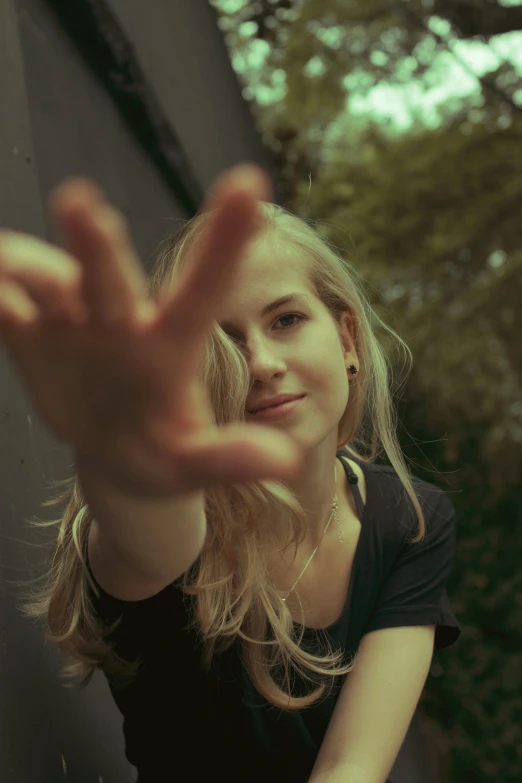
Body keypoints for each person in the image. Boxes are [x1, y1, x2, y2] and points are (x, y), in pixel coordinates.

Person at [4, 164, 460, 783]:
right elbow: (151, 534)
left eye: (286, 320)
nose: (263, 363)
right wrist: (128, 469)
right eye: (223, 340)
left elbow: (352, 764)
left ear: (348, 339)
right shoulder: (178, 518)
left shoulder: (412, 520)